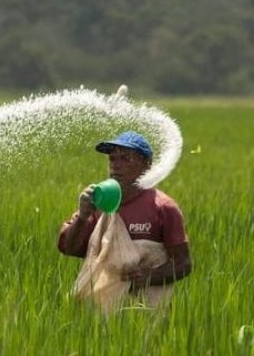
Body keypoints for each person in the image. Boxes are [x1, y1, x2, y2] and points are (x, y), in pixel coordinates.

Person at [58, 131, 192, 311]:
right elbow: (70, 248)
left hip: (146, 311)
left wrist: (148, 276)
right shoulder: (98, 203)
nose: (116, 166)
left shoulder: (163, 208)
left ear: (147, 165)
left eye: (126, 159)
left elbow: (183, 264)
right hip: (100, 313)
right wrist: (82, 217)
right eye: (112, 159)